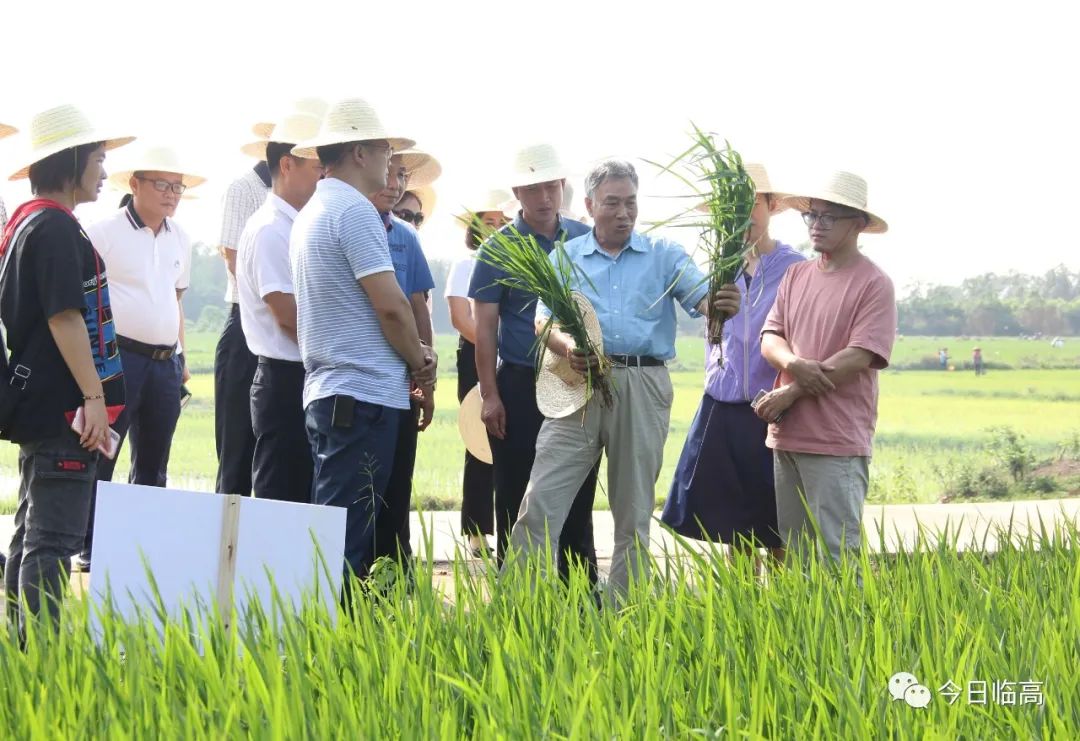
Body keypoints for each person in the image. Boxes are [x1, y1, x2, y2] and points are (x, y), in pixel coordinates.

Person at [506, 159, 717, 601]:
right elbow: (544, 321)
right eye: (612, 203)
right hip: (576, 386)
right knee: (541, 497)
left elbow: (705, 300)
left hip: (641, 384)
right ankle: (520, 604)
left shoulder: (663, 255)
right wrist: (567, 347)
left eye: (631, 203)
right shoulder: (566, 256)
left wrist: (722, 301)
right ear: (589, 205)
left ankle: (625, 609)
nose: (623, 213)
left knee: (633, 508)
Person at [289, 98, 435, 587]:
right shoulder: (353, 211)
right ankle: (330, 646)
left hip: (337, 392)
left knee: (339, 531)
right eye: (384, 149)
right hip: (361, 396)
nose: (390, 160)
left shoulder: (315, 209)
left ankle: (334, 641)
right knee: (346, 543)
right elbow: (391, 305)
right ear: (357, 152)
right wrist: (421, 362)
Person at [0, 104, 132, 629]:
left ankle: (23, 647)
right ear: (72, 159)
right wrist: (94, 398)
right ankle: (45, 658)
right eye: (98, 159)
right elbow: (65, 318)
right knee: (54, 540)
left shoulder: (26, 222)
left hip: (42, 401)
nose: (103, 172)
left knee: (33, 530)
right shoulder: (54, 228)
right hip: (63, 407)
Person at [661, 164, 804, 567]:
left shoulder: (795, 268)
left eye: (752, 203)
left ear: (772, 206)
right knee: (732, 525)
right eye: (731, 207)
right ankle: (740, 606)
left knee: (776, 522)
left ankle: (782, 608)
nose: (742, 216)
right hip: (723, 405)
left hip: (773, 408)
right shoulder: (719, 268)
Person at [468, 143, 599, 580]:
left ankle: (579, 589)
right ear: (517, 193)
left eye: (551, 187)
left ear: (562, 187)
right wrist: (490, 395)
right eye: (534, 189)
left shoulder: (585, 239)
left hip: (575, 380)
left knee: (578, 488)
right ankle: (518, 588)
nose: (545, 197)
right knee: (515, 488)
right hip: (522, 382)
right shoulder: (497, 250)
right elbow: (485, 329)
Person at [755, 170, 896, 564]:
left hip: (836, 439)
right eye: (813, 216)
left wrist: (792, 389)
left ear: (860, 224)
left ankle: (849, 629)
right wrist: (794, 363)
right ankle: (806, 628)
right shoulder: (797, 275)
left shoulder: (874, 283)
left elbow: (859, 355)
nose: (818, 225)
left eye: (830, 217)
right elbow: (770, 338)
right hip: (788, 434)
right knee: (795, 554)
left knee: (837, 554)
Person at [80, 146, 202, 569]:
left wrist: (182, 356)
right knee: (104, 453)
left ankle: (140, 545)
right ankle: (92, 546)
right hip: (120, 359)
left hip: (166, 363)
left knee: (155, 459)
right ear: (135, 185)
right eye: (162, 185)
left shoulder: (181, 238)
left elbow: (174, 300)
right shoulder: (103, 232)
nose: (171, 194)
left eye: (178, 187)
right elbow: (87, 303)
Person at [214, 98, 327, 496]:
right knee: (282, 491)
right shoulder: (269, 230)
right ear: (287, 165)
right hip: (285, 376)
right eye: (317, 168)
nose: (323, 177)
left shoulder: (299, 226)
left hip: (304, 372)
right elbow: (288, 314)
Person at [369, 151, 438, 569]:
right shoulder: (347, 223)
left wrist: (425, 381)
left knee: (397, 483)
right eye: (389, 173)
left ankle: (396, 576)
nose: (394, 184)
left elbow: (418, 309)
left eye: (401, 175)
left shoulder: (406, 238)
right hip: (360, 379)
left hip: (402, 378)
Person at [446, 190, 509, 556]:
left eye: (503, 224)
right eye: (490, 223)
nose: (497, 230)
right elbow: (460, 317)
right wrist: (492, 349)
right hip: (475, 353)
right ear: (475, 227)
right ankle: (475, 530)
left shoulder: (513, 262)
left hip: (511, 358)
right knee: (479, 439)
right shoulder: (465, 263)